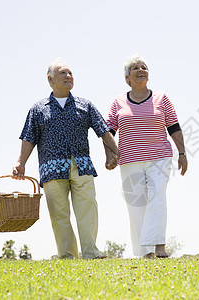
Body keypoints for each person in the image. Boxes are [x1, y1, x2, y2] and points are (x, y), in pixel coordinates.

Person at [13, 58, 120, 259]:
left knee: (87, 210)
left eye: (70, 73)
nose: (68, 76)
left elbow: (104, 131)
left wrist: (117, 152)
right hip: (51, 168)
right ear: (50, 79)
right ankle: (67, 255)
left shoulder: (85, 105)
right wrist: (21, 163)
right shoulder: (38, 109)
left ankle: (91, 252)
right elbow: (29, 137)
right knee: (59, 214)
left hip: (82, 164)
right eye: (63, 73)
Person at [105, 54, 187, 258]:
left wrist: (182, 153)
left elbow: (174, 127)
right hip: (129, 160)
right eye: (135, 68)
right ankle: (145, 252)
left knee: (157, 196)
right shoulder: (118, 102)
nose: (141, 70)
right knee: (136, 204)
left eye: (144, 67)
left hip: (159, 157)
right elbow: (108, 131)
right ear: (127, 78)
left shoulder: (161, 98)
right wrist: (110, 155)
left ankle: (159, 245)